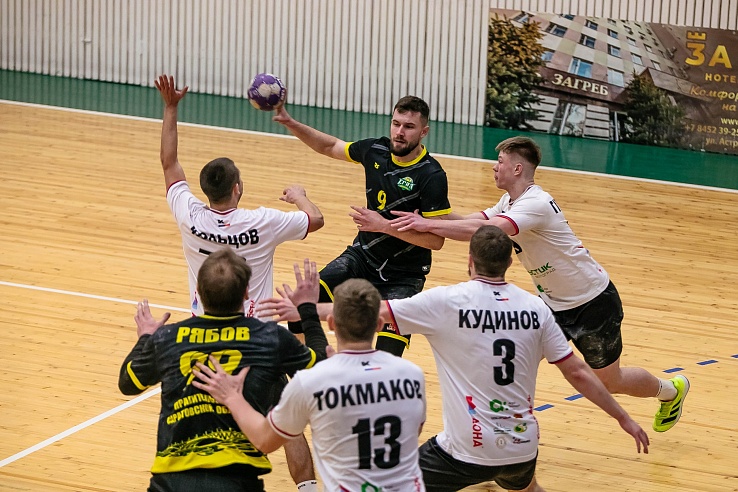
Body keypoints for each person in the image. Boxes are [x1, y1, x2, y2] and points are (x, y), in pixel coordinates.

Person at [258, 226, 650, 491]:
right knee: (524, 484)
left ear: (470, 261)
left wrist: (307, 310)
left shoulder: (446, 302)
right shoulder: (536, 308)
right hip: (521, 448)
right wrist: (623, 417)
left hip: (465, 451)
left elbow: (369, 311)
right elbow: (579, 373)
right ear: (509, 263)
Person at [389, 136, 689, 434]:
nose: (494, 167)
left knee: (610, 381)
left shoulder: (536, 203)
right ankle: (501, 428)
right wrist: (427, 215)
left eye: (500, 162)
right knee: (509, 359)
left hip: (593, 302)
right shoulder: (509, 202)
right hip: (552, 306)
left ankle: (670, 390)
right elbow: (466, 221)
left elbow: (486, 230)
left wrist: (428, 225)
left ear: (517, 169)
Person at [154, 74, 324, 491]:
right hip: (257, 338)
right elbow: (315, 219)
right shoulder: (262, 221)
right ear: (237, 187)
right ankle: (307, 488)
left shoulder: (189, 215)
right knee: (286, 422)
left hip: (205, 336)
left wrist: (171, 108)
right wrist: (299, 195)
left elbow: (170, 165)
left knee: (202, 418)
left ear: (206, 190)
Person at [118, 250, 329, 492]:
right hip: (236, 480)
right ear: (247, 292)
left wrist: (145, 337)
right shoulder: (270, 338)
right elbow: (323, 369)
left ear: (199, 291)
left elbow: (128, 383)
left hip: (170, 483)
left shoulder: (167, 338)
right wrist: (308, 311)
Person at [193, 278, 428, 492]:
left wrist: (232, 397)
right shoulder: (412, 375)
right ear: (379, 324)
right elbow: (412, 430)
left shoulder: (313, 382)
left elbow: (263, 439)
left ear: (332, 323)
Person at [272, 96, 451, 356]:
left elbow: (436, 240)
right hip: (362, 258)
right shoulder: (375, 150)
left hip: (404, 275)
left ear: (424, 132)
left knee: (388, 356)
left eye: (409, 127)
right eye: (396, 124)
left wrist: (384, 226)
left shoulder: (431, 175)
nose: (400, 132)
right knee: (301, 308)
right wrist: (291, 123)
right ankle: (311, 367)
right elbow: (331, 146)